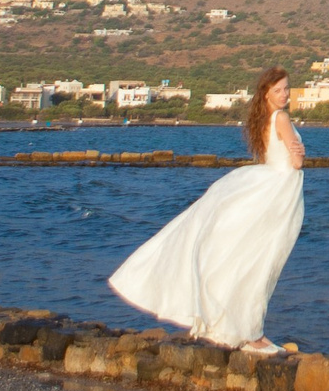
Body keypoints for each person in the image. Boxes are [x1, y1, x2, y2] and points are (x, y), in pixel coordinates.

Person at [108, 66, 304, 353]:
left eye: (286, 88)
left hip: (265, 186)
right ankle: (252, 334)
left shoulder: (261, 120)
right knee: (260, 264)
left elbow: (270, 155)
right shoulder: (282, 117)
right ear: (266, 93)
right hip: (276, 194)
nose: (284, 94)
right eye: (278, 90)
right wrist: (300, 152)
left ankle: (241, 327)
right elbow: (296, 163)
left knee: (248, 261)